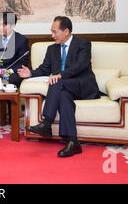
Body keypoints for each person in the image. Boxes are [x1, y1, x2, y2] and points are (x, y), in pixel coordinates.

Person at [17, 16, 100, 157]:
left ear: (66, 31)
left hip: (82, 85)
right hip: (64, 88)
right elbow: (44, 69)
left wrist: (60, 75)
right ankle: (73, 142)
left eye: (55, 32)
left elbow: (81, 66)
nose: (52, 35)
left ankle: (47, 122)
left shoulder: (83, 44)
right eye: (52, 32)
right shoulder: (52, 49)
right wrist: (30, 73)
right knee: (63, 96)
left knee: (56, 81)